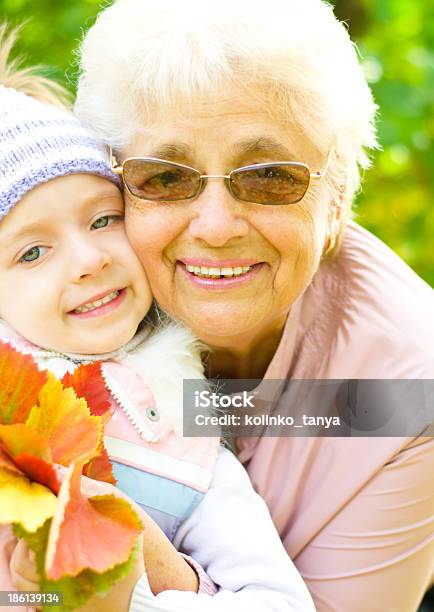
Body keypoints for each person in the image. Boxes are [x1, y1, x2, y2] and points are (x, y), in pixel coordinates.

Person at [75, 0, 434, 610]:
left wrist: (147, 566)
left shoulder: (406, 382)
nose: (216, 227)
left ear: (339, 197)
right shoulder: (56, 291)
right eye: (164, 177)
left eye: (270, 177)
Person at [0, 27, 315, 612]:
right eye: (33, 252)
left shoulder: (177, 432)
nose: (90, 260)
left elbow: (279, 603)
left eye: (102, 220)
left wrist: (137, 594)